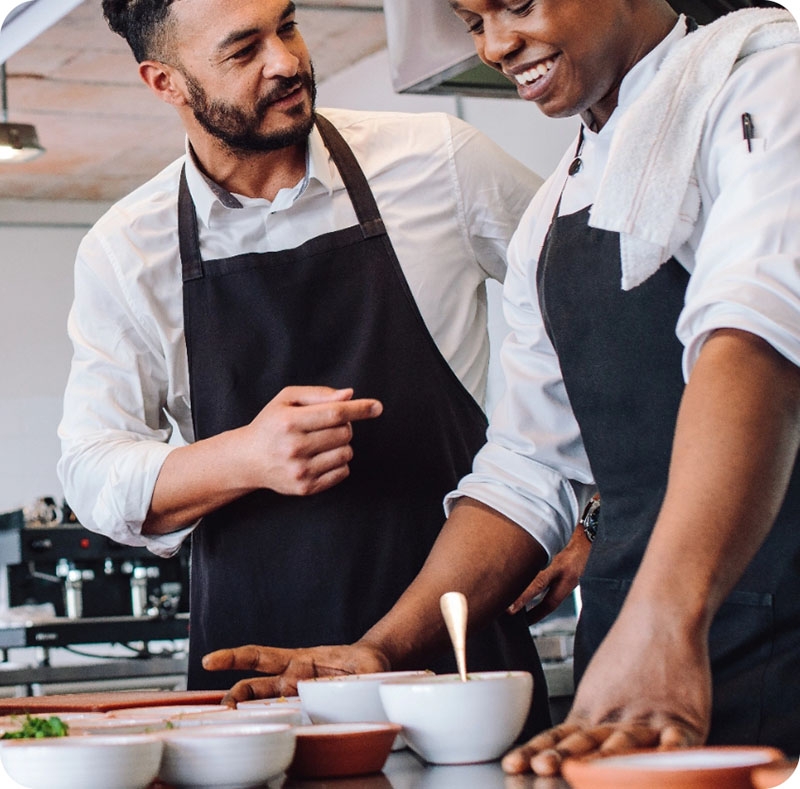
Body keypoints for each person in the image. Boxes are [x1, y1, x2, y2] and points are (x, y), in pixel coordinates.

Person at [202, 0, 800, 774]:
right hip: (627, 678)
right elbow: (528, 468)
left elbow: (756, 341)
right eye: (473, 21)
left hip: (749, 638)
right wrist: (382, 648)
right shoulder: (549, 217)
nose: (496, 45)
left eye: (516, 4)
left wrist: (664, 622)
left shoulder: (766, 80)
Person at [56, 0, 552, 728]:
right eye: (243, 50)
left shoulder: (439, 161)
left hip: (457, 651)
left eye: (286, 26)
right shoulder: (126, 249)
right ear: (166, 82)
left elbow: (597, 317)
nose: (286, 61)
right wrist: (246, 456)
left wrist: (592, 518)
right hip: (258, 681)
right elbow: (91, 470)